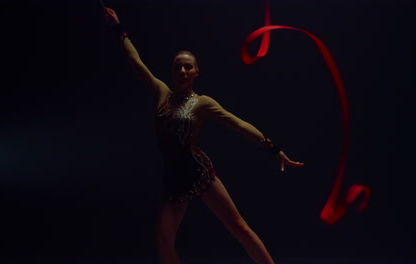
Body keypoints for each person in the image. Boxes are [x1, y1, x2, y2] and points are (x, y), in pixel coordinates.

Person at [104, 7, 304, 264]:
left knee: (238, 227)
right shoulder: (162, 93)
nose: (183, 71)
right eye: (178, 67)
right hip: (173, 177)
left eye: (188, 67)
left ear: (197, 72)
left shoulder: (203, 103)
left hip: (197, 171)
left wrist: (274, 149)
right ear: (173, 71)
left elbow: (239, 124)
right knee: (163, 240)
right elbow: (136, 62)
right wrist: (117, 27)